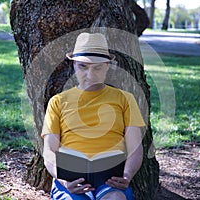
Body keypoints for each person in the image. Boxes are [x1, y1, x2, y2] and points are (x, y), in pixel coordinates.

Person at [42, 32, 145, 200]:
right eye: (83, 66)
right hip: (71, 180)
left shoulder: (125, 99)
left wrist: (126, 176)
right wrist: (63, 180)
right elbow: (49, 150)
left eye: (97, 68)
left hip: (110, 181)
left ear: (107, 66)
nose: (90, 75)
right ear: (74, 64)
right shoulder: (58, 101)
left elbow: (135, 147)